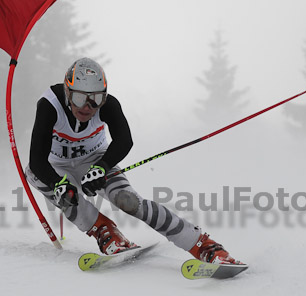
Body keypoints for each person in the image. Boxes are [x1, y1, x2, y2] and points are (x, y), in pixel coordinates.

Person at [25, 57, 242, 265]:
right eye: (80, 98)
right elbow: (36, 160)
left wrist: (102, 167)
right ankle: (104, 229)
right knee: (57, 190)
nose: (87, 107)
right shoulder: (49, 105)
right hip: (54, 167)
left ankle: (202, 245)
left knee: (128, 201)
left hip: (95, 160)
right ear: (66, 91)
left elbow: (124, 140)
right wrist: (59, 184)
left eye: (96, 99)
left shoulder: (109, 105)